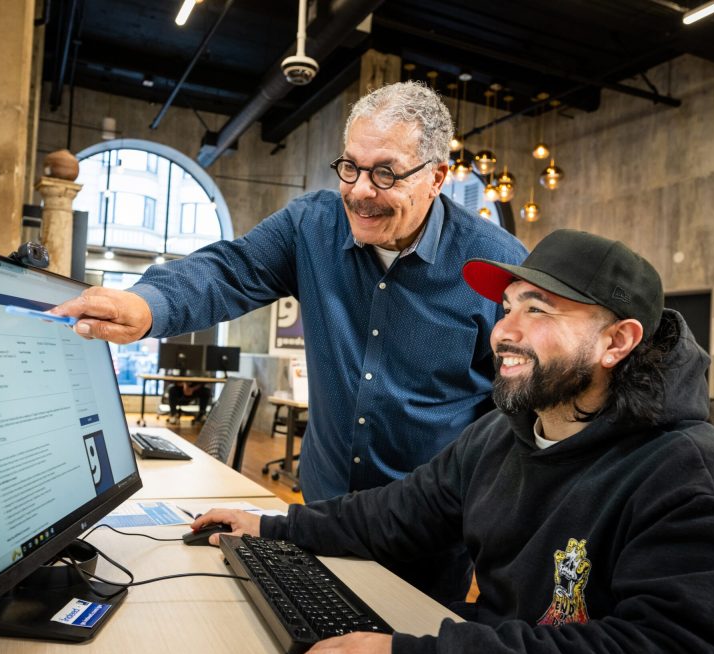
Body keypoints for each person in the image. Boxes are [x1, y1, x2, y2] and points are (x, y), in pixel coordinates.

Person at [191, 230, 714, 654]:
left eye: (538, 309)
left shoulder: (699, 488)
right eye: (507, 307)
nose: (503, 330)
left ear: (617, 341)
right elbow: (402, 511)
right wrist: (275, 525)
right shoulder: (506, 433)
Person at [52, 80, 527, 505]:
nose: (360, 191)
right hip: (322, 506)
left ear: (436, 178)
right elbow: (229, 270)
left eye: (385, 173)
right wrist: (147, 304)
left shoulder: (497, 265)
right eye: (350, 168)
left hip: (428, 525)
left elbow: (517, 410)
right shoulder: (312, 225)